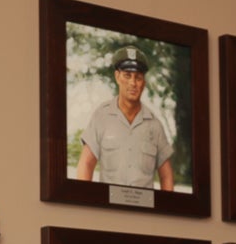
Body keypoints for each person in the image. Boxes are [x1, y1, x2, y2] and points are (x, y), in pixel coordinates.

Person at [75, 45, 175, 190]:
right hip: (107, 204)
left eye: (138, 77)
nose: (133, 83)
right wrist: (85, 200)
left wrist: (167, 204)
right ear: (117, 77)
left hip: (144, 205)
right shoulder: (101, 117)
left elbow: (167, 177)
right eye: (127, 75)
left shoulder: (154, 125)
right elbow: (86, 164)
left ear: (144, 82)